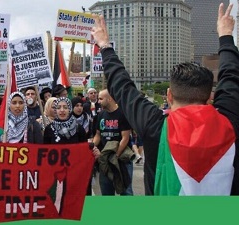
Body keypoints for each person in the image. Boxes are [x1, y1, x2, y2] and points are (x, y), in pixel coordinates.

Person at [91, 3, 239, 195]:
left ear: (169, 95)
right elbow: (231, 77)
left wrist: (104, 46)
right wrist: (226, 36)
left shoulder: (154, 125)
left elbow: (123, 86)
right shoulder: (230, 121)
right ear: (210, 96)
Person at [43, 97, 99, 196]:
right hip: (57, 176)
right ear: (55, 110)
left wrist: (93, 152)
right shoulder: (49, 129)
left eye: (65, 107)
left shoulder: (78, 129)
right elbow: (45, 153)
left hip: (75, 175)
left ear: (69, 109)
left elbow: (84, 151)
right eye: (59, 107)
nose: (62, 110)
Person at [93, 89, 133, 196]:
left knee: (126, 191)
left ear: (109, 99)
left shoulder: (122, 114)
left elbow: (125, 138)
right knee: (106, 191)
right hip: (105, 159)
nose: (98, 101)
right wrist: (91, 146)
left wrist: (116, 155)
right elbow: (98, 135)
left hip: (122, 160)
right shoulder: (101, 115)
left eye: (101, 99)